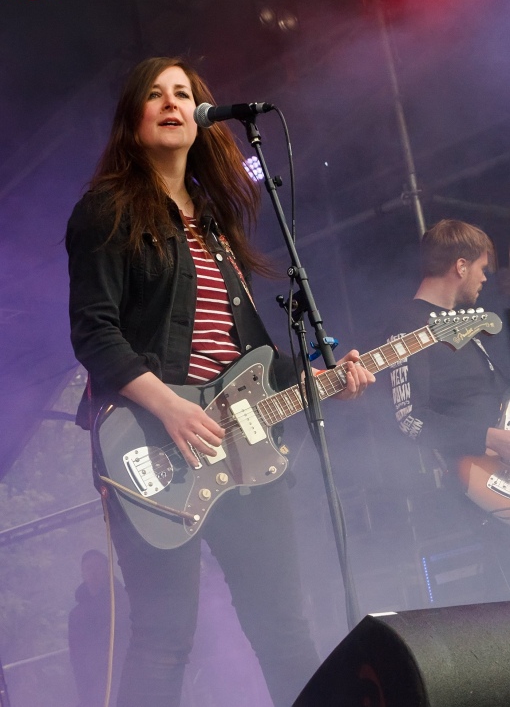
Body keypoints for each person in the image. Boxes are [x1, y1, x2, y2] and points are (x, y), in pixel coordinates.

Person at [66, 56, 375, 707]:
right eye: (156, 94)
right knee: (163, 637)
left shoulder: (212, 223)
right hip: (154, 442)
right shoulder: (108, 209)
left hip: (243, 450)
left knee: (285, 624)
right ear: (134, 118)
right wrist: (172, 408)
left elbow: (253, 354)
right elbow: (94, 334)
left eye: (184, 92)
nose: (173, 102)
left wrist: (327, 380)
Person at [387, 219, 510, 525]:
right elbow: (410, 419)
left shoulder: (457, 321)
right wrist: (492, 438)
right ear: (461, 266)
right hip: (479, 466)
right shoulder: (407, 325)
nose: (484, 278)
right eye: (482, 269)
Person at [68, 550, 130, 707]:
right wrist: (85, 695)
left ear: (107, 569)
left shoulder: (124, 602)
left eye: (97, 567)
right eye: (88, 568)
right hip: (96, 687)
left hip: (128, 677)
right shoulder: (76, 616)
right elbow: (77, 661)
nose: (93, 572)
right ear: (82, 573)